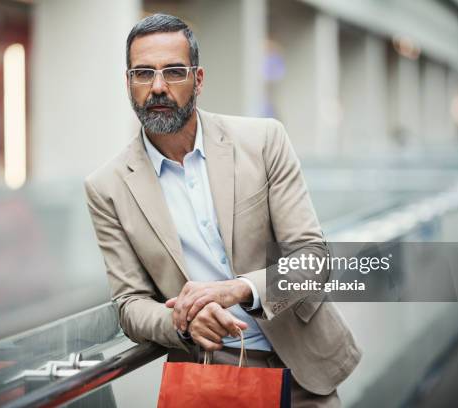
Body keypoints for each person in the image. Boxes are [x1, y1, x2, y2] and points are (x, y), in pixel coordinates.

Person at [85, 13, 362, 407]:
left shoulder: (264, 141)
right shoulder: (106, 187)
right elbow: (130, 305)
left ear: (198, 80)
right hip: (208, 375)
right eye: (143, 73)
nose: (158, 87)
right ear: (128, 83)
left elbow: (313, 259)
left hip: (302, 368)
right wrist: (182, 321)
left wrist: (241, 289)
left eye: (174, 72)